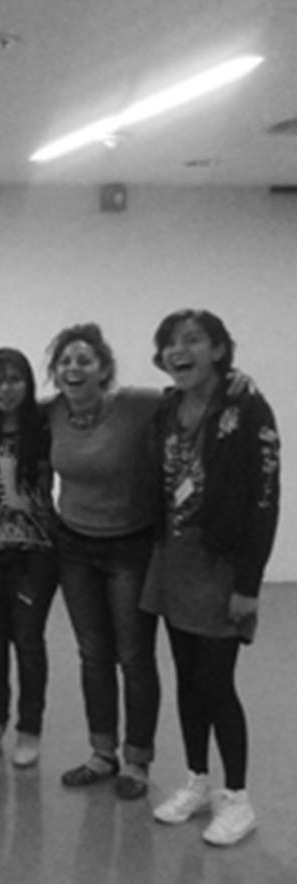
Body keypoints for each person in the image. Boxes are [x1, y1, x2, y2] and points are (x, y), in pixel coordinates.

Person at [142, 310, 279, 845]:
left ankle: (238, 799)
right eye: (170, 344)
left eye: (193, 340)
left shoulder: (247, 408)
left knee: (216, 682)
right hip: (174, 562)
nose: (179, 351)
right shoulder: (168, 407)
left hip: (222, 567)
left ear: (219, 349)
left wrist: (249, 583)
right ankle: (197, 780)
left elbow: (265, 500)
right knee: (186, 679)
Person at [46, 322, 162, 800]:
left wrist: (233, 383)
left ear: (104, 369)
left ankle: (137, 759)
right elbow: (2, 410)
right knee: (93, 653)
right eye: (64, 362)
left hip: (129, 547)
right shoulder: (53, 410)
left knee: (134, 655)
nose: (73, 369)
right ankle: (101, 752)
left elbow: (191, 397)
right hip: (74, 547)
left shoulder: (133, 405)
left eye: (84, 361)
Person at [0, 348, 57, 767]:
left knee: (29, 641)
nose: (5, 389)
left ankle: (29, 728)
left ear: (28, 382)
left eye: (14, 379)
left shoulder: (47, 424)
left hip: (35, 554)